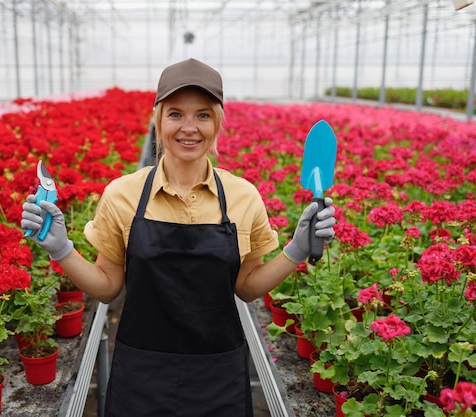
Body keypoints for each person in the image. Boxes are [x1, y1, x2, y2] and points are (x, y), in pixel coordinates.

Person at [21, 57, 336, 417]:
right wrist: (62, 249)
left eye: (203, 114)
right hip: (140, 374)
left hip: (220, 373)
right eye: (176, 114)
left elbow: (247, 287)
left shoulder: (242, 195)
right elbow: (107, 287)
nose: (190, 127)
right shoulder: (123, 194)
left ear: (218, 122)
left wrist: (295, 251)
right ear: (158, 120)